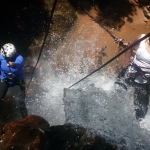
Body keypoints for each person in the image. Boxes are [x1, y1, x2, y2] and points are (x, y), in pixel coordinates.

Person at [115, 34, 150, 121]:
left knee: (141, 113)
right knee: (116, 93)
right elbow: (130, 46)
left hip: (144, 82)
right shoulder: (142, 38)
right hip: (129, 73)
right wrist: (126, 63)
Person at [0, 43, 28, 118]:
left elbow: (18, 63)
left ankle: (26, 120)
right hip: (5, 81)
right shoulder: (1, 57)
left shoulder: (19, 58)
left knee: (20, 102)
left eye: (10, 57)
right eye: (7, 57)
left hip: (17, 82)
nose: (9, 59)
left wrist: (13, 64)